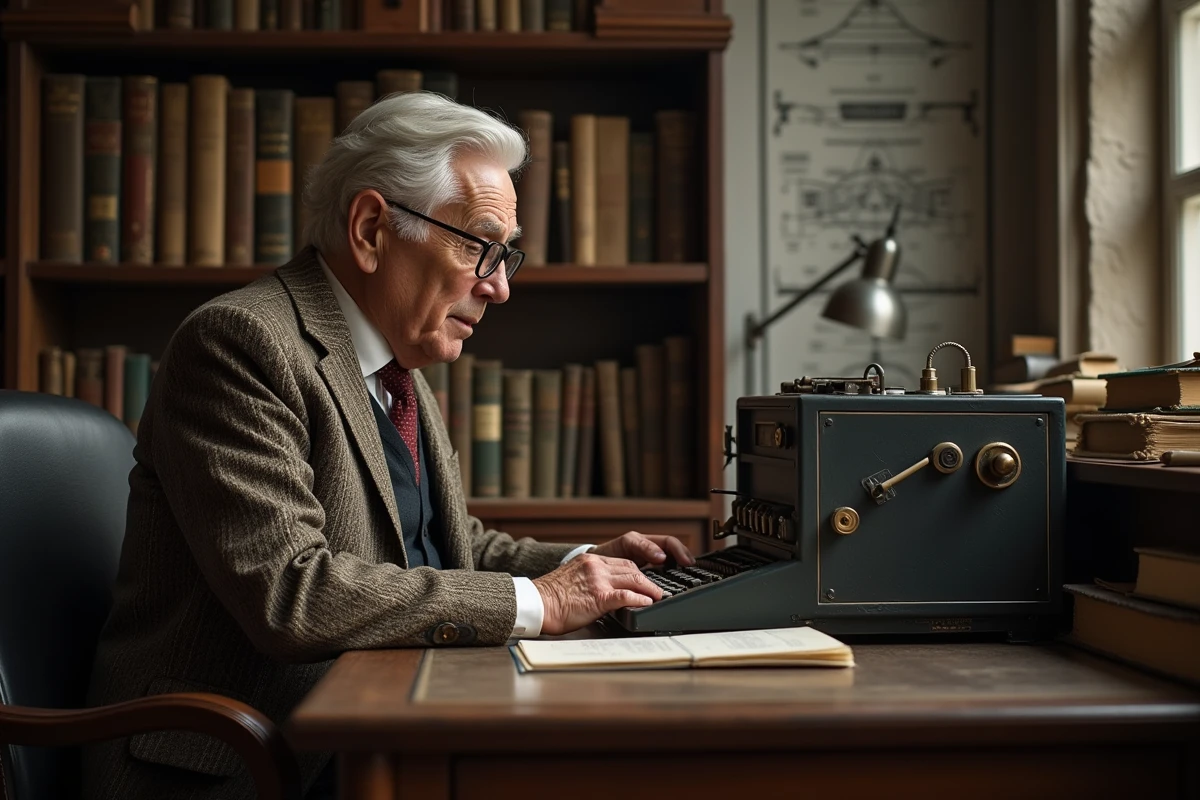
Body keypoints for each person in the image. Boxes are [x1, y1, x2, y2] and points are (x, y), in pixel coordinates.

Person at [82, 91, 695, 800]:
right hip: (236, 767)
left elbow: (441, 541)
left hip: (366, 731)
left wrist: (579, 566)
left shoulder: (391, 364)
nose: (498, 287)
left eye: (506, 255)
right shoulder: (241, 344)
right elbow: (292, 592)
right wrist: (542, 601)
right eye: (479, 245)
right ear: (373, 228)